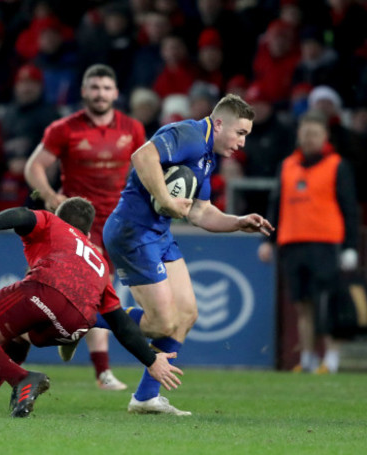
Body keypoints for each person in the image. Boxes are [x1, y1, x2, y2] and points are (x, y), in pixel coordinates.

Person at [102, 94, 274, 415]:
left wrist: (238, 222)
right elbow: (142, 156)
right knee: (161, 323)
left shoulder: (208, 154)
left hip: (159, 235)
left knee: (187, 315)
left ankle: (145, 398)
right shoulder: (190, 135)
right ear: (219, 123)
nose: (242, 143)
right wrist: (165, 199)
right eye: (240, 133)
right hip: (133, 232)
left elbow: (200, 213)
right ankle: (77, 318)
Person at [0, 197, 183, 417]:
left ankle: (22, 379)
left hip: (46, 290)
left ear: (58, 216)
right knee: (17, 336)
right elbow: (120, 323)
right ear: (88, 234)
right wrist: (151, 360)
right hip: (74, 325)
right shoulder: (100, 263)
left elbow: (24, 215)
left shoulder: (52, 223)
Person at [24, 64, 145, 391]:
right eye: (94, 87)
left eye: (106, 88)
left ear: (116, 93)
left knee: (104, 292)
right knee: (98, 285)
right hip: (79, 224)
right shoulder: (64, 129)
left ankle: (77, 331)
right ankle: (103, 372)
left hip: (121, 222)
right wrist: (49, 197)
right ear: (84, 91)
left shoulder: (133, 129)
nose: (100, 94)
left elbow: (145, 171)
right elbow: (34, 166)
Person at [258, 110, 358, 374]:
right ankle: (309, 358)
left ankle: (332, 358)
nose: (308, 138)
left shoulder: (337, 165)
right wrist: (269, 239)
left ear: (325, 136)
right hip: (292, 241)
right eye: (304, 133)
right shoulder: (287, 165)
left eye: (314, 133)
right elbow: (276, 205)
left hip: (325, 242)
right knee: (302, 305)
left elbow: (350, 209)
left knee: (327, 301)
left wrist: (350, 246)